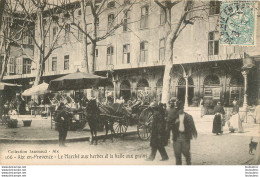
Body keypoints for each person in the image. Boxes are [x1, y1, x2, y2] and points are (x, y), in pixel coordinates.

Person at [171, 100, 197, 165]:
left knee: (186, 152)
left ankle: (188, 163)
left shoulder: (188, 117)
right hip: (177, 137)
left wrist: (194, 133)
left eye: (181, 108)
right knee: (177, 153)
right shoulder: (174, 117)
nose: (179, 110)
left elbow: (192, 126)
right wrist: (174, 123)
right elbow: (169, 125)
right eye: (178, 109)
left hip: (185, 137)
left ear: (183, 108)